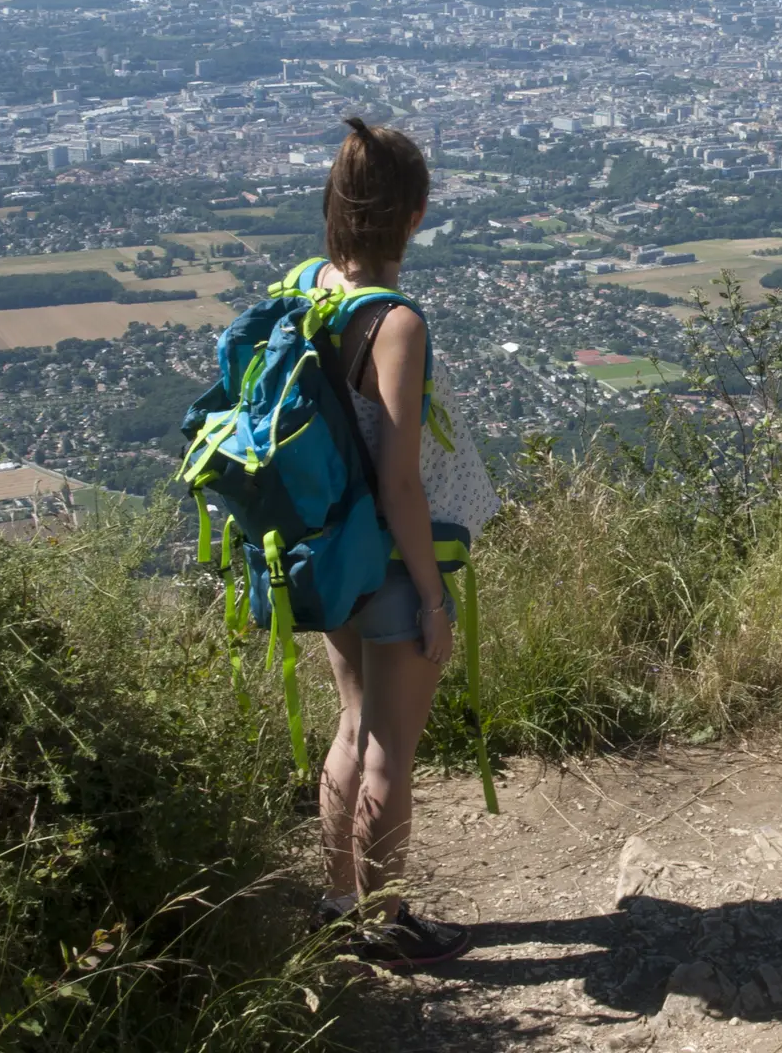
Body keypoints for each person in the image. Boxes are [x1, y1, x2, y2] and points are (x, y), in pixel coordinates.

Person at [311, 116, 471, 969]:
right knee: (390, 751)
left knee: (349, 725)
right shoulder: (395, 323)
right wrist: (433, 597)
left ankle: (337, 904)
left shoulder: (310, 290)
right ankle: (387, 921)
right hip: (388, 564)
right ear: (413, 215)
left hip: (329, 555)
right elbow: (402, 481)